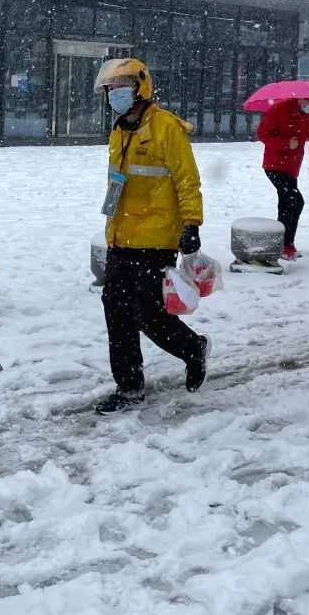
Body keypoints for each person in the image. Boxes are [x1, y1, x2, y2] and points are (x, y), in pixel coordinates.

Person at [93, 57, 210, 415]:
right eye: (111, 89)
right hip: (121, 238)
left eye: (123, 86)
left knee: (149, 315)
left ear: (141, 87)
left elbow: (187, 179)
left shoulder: (166, 128)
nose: (116, 94)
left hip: (156, 239)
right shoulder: (119, 130)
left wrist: (191, 224)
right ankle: (128, 387)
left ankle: (194, 349)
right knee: (116, 311)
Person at [255, 97, 309, 258]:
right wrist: (285, 144)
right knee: (294, 201)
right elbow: (262, 134)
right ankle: (284, 244)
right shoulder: (279, 110)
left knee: (287, 204)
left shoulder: (308, 115)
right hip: (275, 165)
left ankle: (284, 244)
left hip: (292, 167)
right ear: (301, 98)